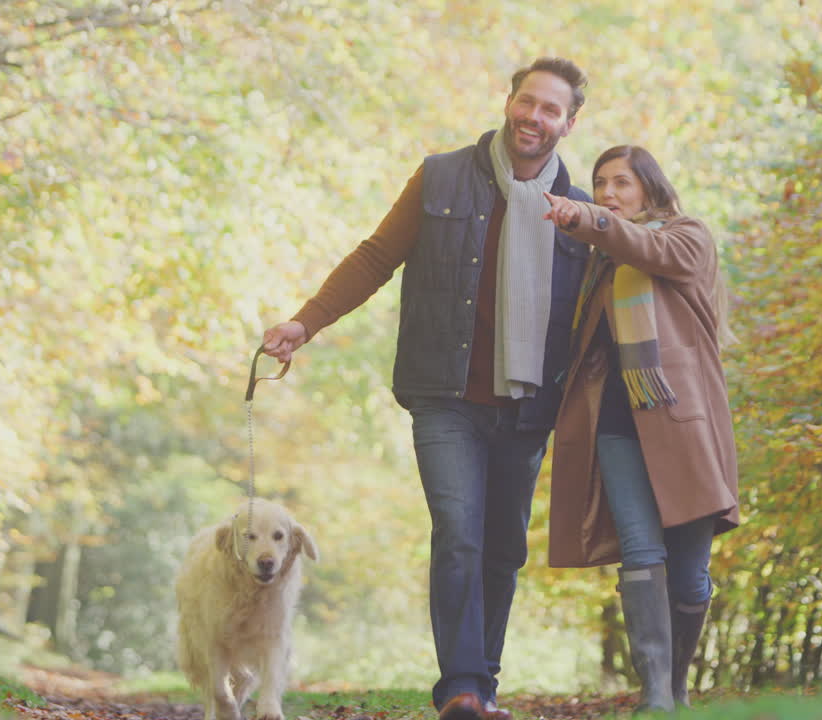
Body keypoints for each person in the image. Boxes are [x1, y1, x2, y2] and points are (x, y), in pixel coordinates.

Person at [261, 58, 593, 720]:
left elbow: (598, 315)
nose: (534, 117)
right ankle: (462, 689)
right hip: (445, 395)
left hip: (528, 407)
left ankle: (485, 685)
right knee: (459, 530)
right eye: (527, 102)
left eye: (550, 109)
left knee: (503, 547)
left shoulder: (580, 213)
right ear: (508, 101)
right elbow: (377, 256)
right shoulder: (442, 175)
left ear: (570, 122)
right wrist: (306, 321)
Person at [541, 145, 740, 713]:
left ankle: (676, 684)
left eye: (621, 183)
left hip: (683, 424)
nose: (607, 194)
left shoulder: (686, 236)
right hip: (618, 424)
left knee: (690, 573)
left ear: (649, 188)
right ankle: (656, 696)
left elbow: (647, 248)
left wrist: (589, 219)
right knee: (640, 549)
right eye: (600, 183)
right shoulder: (600, 260)